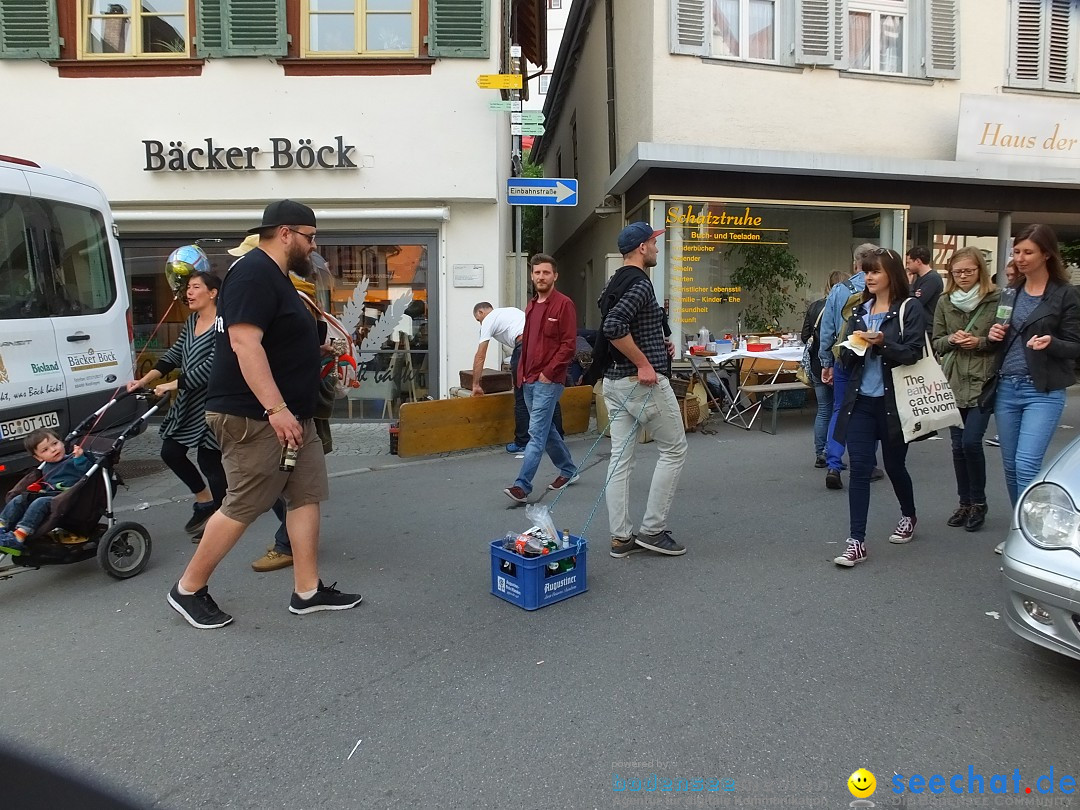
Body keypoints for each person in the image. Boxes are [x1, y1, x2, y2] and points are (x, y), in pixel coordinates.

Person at [166, 200, 361, 629]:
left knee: (306, 495)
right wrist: (275, 409)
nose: (314, 246)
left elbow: (274, 340)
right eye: (310, 237)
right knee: (244, 503)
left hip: (294, 415)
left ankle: (307, 591)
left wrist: (316, 351)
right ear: (286, 233)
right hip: (256, 416)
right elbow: (244, 345)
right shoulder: (253, 272)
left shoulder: (276, 277)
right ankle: (188, 588)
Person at [987, 224, 1080, 550]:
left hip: (1042, 391)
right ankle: (1019, 528)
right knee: (1011, 466)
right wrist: (993, 335)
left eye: (1028, 252)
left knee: (1027, 464)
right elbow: (998, 331)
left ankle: (1031, 540)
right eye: (1017, 252)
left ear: (1046, 254)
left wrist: (1052, 342)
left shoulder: (1065, 294)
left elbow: (1075, 345)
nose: (1020, 258)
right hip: (1007, 388)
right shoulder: (1010, 292)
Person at [833, 248, 926, 567]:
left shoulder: (909, 308)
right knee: (859, 468)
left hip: (894, 403)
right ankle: (856, 541)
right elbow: (848, 358)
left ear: (892, 275)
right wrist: (849, 349)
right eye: (866, 271)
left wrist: (882, 342)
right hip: (861, 402)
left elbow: (913, 353)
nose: (869, 276)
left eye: (876, 271)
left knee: (895, 465)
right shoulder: (860, 309)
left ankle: (909, 515)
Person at [599, 222, 688, 558]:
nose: (656, 247)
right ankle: (652, 530)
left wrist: (654, 346)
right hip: (640, 384)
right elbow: (614, 326)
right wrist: (644, 363)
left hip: (614, 382)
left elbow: (627, 325)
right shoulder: (640, 283)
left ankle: (621, 537)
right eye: (653, 242)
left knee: (620, 461)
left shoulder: (615, 281)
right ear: (641, 247)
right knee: (675, 450)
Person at [127, 270, 225, 539]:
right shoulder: (193, 319)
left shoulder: (223, 323)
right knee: (171, 452)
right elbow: (173, 355)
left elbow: (214, 366)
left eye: (195, 287)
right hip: (189, 402)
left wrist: (173, 385)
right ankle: (205, 502)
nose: (189, 293)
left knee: (210, 462)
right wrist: (144, 379)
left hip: (213, 403)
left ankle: (220, 520)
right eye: (188, 288)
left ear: (213, 292)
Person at [931, 248, 999, 532]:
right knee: (958, 447)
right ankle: (964, 503)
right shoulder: (945, 301)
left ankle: (979, 503)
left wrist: (980, 342)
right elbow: (936, 342)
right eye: (957, 272)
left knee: (972, 442)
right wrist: (953, 339)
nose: (962, 277)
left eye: (968, 271)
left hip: (984, 381)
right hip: (954, 380)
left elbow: (1003, 339)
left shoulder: (996, 299)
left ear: (980, 270)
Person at [502, 254, 579, 502]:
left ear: (555, 275)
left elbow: (568, 345)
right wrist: (521, 374)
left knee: (536, 433)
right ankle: (568, 469)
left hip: (548, 381)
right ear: (532, 276)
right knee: (546, 430)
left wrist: (548, 373)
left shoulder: (564, 304)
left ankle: (522, 486)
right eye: (537, 273)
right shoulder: (531, 306)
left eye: (546, 272)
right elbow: (527, 345)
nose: (541, 277)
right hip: (528, 380)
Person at [818, 243, 884, 490]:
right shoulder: (881, 288)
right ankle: (867, 464)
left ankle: (834, 463)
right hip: (872, 358)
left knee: (839, 409)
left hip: (844, 356)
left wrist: (826, 362)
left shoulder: (839, 290)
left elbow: (828, 330)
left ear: (854, 261)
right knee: (871, 408)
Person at [472, 302, 563, 453]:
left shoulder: (489, 319)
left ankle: (523, 442)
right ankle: (557, 439)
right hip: (544, 345)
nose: (480, 323)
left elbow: (480, 355)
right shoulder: (510, 311)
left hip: (525, 346)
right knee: (548, 391)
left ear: (481, 312)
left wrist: (476, 384)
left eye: (478, 319)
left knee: (521, 395)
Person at [0, 429, 94, 554]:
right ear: (39, 457)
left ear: (61, 442)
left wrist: (80, 458)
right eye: (45, 450)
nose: (53, 450)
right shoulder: (47, 466)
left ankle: (19, 536)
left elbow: (89, 472)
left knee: (39, 502)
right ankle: (2, 526)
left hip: (66, 498)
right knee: (19, 499)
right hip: (49, 494)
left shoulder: (73, 460)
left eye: (55, 444)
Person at [802, 270, 848, 468]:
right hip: (837, 363)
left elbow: (805, 336)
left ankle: (820, 452)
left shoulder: (815, 306)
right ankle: (833, 453)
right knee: (840, 409)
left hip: (816, 364)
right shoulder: (846, 305)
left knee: (823, 410)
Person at [986, 259, 1018, 449]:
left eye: (1014, 275)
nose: (1011, 279)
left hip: (1037, 381)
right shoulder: (1007, 296)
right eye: (1008, 276)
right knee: (1011, 459)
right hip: (1005, 375)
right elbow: (995, 337)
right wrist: (990, 337)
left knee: (1025, 460)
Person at [906, 246, 943, 320]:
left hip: (927, 326)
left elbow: (916, 303)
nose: (907, 266)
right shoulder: (919, 278)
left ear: (918, 261)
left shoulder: (932, 279)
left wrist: (909, 285)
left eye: (908, 263)